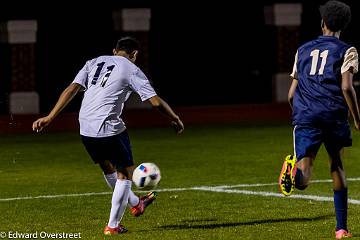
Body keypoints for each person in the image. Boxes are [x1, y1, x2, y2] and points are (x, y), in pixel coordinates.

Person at [32, 36, 184, 235]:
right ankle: (113, 226)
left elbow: (71, 89)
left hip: (85, 127)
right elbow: (154, 102)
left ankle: (137, 203)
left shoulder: (93, 62)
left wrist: (50, 117)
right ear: (134, 55)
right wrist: (175, 118)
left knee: (108, 167)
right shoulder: (132, 69)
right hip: (108, 128)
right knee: (125, 174)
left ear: (114, 51)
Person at [278, 1, 359, 239]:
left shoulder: (302, 49)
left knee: (303, 177)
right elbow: (346, 87)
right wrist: (357, 118)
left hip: (306, 115)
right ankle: (341, 229)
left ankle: (292, 172)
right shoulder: (347, 50)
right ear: (343, 25)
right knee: (337, 165)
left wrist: (300, 113)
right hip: (333, 115)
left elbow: (291, 94)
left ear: (322, 23)